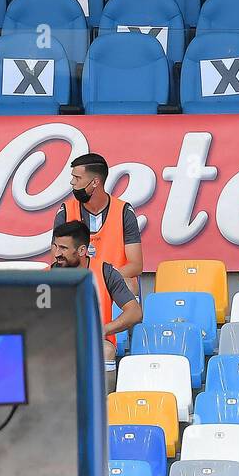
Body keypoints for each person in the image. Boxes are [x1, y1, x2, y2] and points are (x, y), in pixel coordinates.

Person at [53, 153, 143, 297]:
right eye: (73, 177)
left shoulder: (124, 211)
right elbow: (56, 261)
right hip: (77, 283)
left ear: (95, 182)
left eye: (77, 178)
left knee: (130, 285)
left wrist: (103, 279)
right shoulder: (66, 211)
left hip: (111, 282)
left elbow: (136, 265)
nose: (72, 182)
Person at [51, 221, 142, 361]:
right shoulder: (46, 276)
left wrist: (103, 329)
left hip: (95, 341)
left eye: (63, 248)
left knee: (106, 351)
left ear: (82, 250)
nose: (57, 253)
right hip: (56, 341)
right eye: (55, 247)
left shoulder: (106, 272)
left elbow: (135, 313)